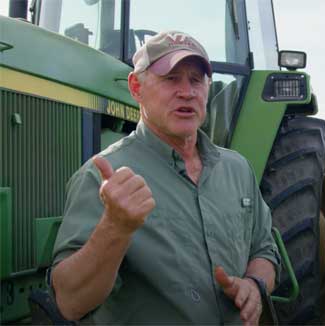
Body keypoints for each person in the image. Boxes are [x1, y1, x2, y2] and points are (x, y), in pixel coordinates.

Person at [50, 30, 280, 325]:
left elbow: (264, 250)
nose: (187, 91)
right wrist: (115, 227)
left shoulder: (237, 169)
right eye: (171, 78)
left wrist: (255, 285)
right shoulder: (101, 178)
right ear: (136, 87)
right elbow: (70, 303)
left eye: (196, 80)